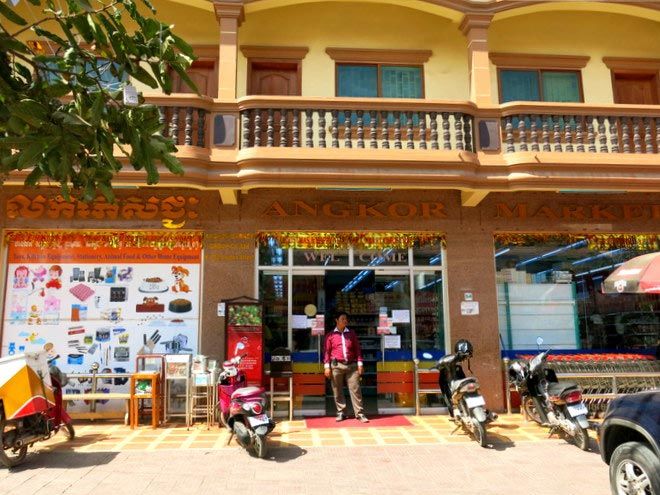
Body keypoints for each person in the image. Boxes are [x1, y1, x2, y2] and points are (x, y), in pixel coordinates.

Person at [323, 311, 369, 423]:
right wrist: (326, 367)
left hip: (352, 365)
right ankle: (341, 412)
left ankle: (360, 414)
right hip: (336, 365)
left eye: (346, 319)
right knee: (337, 390)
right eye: (343, 318)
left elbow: (358, 349)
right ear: (336, 320)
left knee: (355, 389)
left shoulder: (351, 333)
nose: (345, 321)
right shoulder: (330, 335)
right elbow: (327, 352)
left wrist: (360, 364)